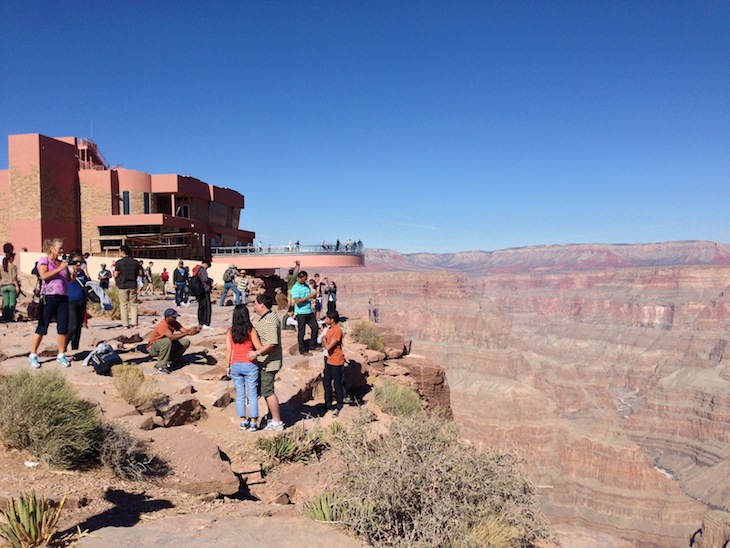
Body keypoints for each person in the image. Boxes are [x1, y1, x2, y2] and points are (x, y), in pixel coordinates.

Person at [28, 237, 72, 369]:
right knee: (43, 325)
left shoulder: (62, 263)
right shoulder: (44, 260)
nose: (62, 251)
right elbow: (44, 276)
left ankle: (61, 354)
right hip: (49, 296)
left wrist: (73, 271)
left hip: (63, 297)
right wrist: (60, 269)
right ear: (52, 249)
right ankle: (33, 354)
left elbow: (69, 279)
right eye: (59, 248)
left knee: (63, 326)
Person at [249, 294, 285, 430]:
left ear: (262, 305)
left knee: (268, 391)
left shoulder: (269, 320)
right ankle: (273, 417)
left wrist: (257, 353)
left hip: (270, 362)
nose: (254, 307)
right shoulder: (267, 318)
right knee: (266, 390)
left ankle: (277, 421)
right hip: (267, 361)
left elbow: (272, 343)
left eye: (256, 304)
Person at [226, 304, 262, 432]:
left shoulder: (230, 331)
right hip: (250, 364)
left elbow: (228, 350)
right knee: (252, 394)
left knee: (240, 395)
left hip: (235, 364)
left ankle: (243, 421)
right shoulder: (251, 330)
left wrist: (227, 366)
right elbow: (258, 347)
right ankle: (253, 422)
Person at [147, 308, 201, 374]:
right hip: (153, 348)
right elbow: (171, 337)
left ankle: (172, 360)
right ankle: (160, 366)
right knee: (167, 341)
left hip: (165, 346)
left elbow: (185, 331)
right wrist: (187, 333)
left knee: (185, 342)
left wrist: (193, 331)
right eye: (173, 317)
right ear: (167, 317)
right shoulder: (163, 325)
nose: (175, 319)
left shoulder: (174, 323)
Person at [322, 311, 346, 416]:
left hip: (337, 361)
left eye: (327, 318)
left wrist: (323, 339)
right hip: (329, 360)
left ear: (332, 320)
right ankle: (328, 403)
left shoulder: (337, 331)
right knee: (326, 382)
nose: (325, 320)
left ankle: (339, 405)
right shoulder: (329, 330)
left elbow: (328, 346)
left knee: (337, 384)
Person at [114, 245, 143, 329]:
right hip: (133, 285)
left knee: (124, 305)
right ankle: (135, 324)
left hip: (123, 285)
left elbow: (115, 274)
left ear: (123, 252)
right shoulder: (136, 262)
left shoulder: (119, 263)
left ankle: (125, 324)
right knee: (133, 304)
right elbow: (140, 273)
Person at [65, 250, 88, 355]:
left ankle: (75, 350)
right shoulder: (66, 271)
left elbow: (85, 284)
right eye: (76, 262)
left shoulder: (82, 272)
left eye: (80, 262)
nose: (78, 264)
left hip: (81, 301)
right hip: (70, 301)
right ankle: (63, 348)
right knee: (72, 326)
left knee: (78, 327)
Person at [291, 270, 319, 355]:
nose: (305, 281)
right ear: (299, 278)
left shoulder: (306, 286)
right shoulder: (295, 288)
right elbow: (298, 301)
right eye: (303, 279)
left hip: (309, 311)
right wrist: (308, 297)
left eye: (306, 279)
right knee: (302, 331)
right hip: (301, 313)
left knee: (315, 327)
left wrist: (313, 297)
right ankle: (302, 350)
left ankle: (313, 345)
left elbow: (310, 296)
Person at [0, 250, 21, 322]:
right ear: (11, 258)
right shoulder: (13, 266)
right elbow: (14, 277)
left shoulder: (1, 267)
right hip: (11, 285)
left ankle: (4, 316)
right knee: (12, 302)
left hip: (3, 286)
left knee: (5, 302)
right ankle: (10, 317)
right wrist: (17, 286)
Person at [195, 259, 213, 329]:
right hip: (204, 290)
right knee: (207, 307)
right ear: (206, 264)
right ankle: (206, 323)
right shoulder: (203, 269)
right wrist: (210, 280)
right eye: (207, 267)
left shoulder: (196, 269)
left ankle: (200, 322)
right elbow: (205, 279)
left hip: (198, 291)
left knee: (200, 307)